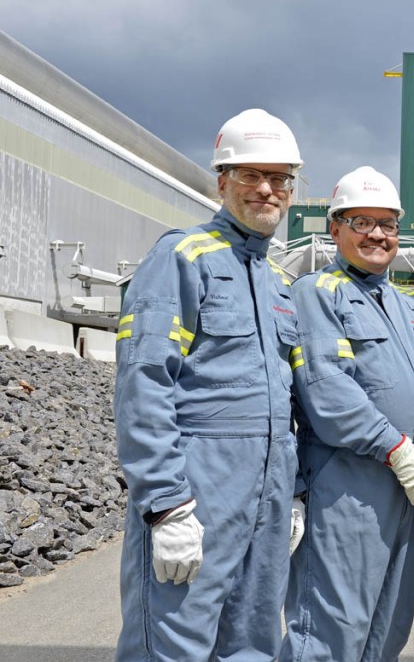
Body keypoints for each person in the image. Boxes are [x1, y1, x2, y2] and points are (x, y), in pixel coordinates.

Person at [114, 108, 305, 661]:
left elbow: (285, 401)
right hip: (198, 496)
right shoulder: (182, 257)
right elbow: (144, 380)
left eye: (279, 179)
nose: (267, 190)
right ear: (222, 181)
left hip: (266, 503)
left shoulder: (278, 282)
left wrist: (291, 493)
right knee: (173, 647)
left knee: (253, 646)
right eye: (251, 176)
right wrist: (167, 505)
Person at [281, 165, 414, 662]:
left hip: (412, 485)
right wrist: (397, 448)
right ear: (335, 228)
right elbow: (327, 390)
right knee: (328, 628)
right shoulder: (318, 295)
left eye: (388, 224)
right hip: (348, 486)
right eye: (362, 222)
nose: (377, 234)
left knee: (390, 624)